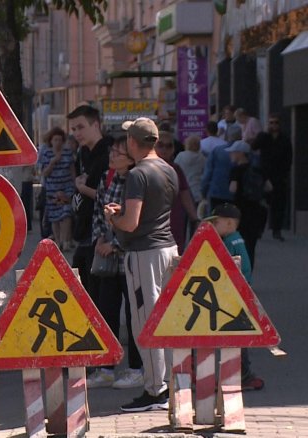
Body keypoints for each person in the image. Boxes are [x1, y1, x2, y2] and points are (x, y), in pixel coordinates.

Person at [105, 117, 178, 413]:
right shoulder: (169, 169)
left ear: (133, 142)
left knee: (145, 322)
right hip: (168, 248)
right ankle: (170, 384)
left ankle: (155, 391)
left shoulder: (138, 174)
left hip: (143, 253)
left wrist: (113, 217)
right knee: (166, 321)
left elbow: (131, 223)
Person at [86, 135, 143, 390]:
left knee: (133, 316)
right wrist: (99, 239)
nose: (111, 156)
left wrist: (116, 245)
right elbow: (98, 210)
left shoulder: (137, 179)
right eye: (111, 152)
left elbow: (138, 221)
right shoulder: (107, 177)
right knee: (106, 312)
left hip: (129, 258)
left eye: (117, 153)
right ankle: (106, 368)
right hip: (107, 261)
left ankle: (136, 368)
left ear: (130, 158)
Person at [205, 203, 265, 391]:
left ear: (230, 223)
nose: (213, 226)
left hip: (233, 295)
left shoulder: (230, 243)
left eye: (216, 222)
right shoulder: (237, 240)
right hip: (239, 293)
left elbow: (221, 265)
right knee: (237, 335)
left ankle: (243, 375)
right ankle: (242, 374)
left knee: (235, 336)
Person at [67, 105, 112, 305]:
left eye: (81, 127)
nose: (77, 133)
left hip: (102, 233)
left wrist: (83, 188)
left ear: (95, 125)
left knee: (100, 296)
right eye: (73, 129)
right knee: (82, 290)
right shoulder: (83, 152)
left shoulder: (109, 153)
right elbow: (79, 186)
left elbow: (110, 197)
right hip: (83, 228)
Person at [155, 131, 200, 254]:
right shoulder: (144, 169)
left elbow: (185, 194)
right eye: (160, 145)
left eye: (169, 146)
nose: (165, 149)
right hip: (153, 229)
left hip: (176, 225)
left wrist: (195, 218)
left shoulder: (176, 169)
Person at [226, 140, 268, 267]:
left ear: (240, 154)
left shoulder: (236, 170)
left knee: (238, 244)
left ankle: (239, 272)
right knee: (251, 244)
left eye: (233, 152)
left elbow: (233, 189)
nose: (231, 154)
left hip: (240, 210)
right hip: (256, 210)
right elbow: (269, 187)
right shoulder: (258, 169)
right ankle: (249, 271)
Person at [37, 127, 76, 250]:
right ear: (51, 141)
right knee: (55, 216)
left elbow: (72, 170)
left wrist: (75, 185)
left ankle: (65, 241)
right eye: (55, 140)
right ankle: (58, 241)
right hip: (52, 189)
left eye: (60, 140)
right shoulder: (46, 153)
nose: (58, 142)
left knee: (66, 213)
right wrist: (53, 162)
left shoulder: (67, 153)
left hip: (66, 188)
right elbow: (44, 173)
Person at [256, 115, 293, 241]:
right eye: (271, 123)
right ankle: (259, 230)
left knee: (279, 204)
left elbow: (289, 158)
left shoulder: (285, 139)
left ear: (279, 124)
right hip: (265, 176)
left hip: (279, 176)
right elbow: (254, 146)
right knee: (262, 205)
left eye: (276, 123)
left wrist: (285, 174)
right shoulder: (264, 137)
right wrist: (264, 134)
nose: (273, 125)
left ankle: (277, 230)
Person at [201, 123, 241, 210]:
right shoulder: (246, 152)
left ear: (227, 135)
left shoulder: (217, 151)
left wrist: (203, 191)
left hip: (217, 192)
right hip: (239, 194)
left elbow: (208, 173)